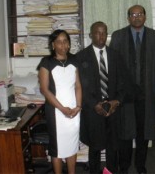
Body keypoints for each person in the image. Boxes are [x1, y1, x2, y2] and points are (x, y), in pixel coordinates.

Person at [109, 5, 155, 174]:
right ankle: (123, 167)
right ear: (128, 18)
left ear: (145, 17)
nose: (136, 17)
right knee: (125, 132)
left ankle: (141, 166)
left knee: (143, 133)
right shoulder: (118, 36)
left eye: (140, 14)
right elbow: (113, 67)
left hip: (147, 93)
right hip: (125, 95)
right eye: (133, 14)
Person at [76, 21, 126, 174]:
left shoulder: (115, 55)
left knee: (113, 146)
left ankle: (111, 171)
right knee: (95, 146)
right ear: (91, 35)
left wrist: (116, 101)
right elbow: (80, 87)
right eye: (97, 32)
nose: (101, 36)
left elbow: (123, 83)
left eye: (104, 32)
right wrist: (94, 104)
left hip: (113, 107)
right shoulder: (81, 57)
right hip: (93, 108)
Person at [37, 29, 82, 174]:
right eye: (59, 42)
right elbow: (44, 89)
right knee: (57, 149)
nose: (63, 45)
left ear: (69, 44)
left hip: (74, 111)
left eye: (65, 41)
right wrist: (62, 109)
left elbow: (78, 86)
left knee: (72, 145)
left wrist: (78, 107)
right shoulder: (46, 63)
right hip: (56, 111)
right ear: (53, 45)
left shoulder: (75, 60)